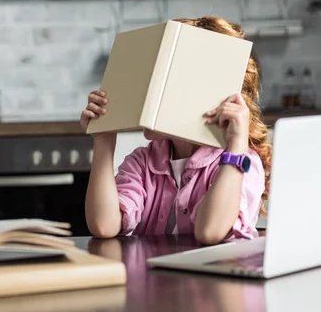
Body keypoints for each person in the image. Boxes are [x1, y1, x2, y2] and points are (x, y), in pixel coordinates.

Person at [81, 16, 272, 245]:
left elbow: (210, 232)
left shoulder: (242, 163)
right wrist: (103, 138)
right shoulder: (143, 162)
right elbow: (104, 225)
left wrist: (236, 148)